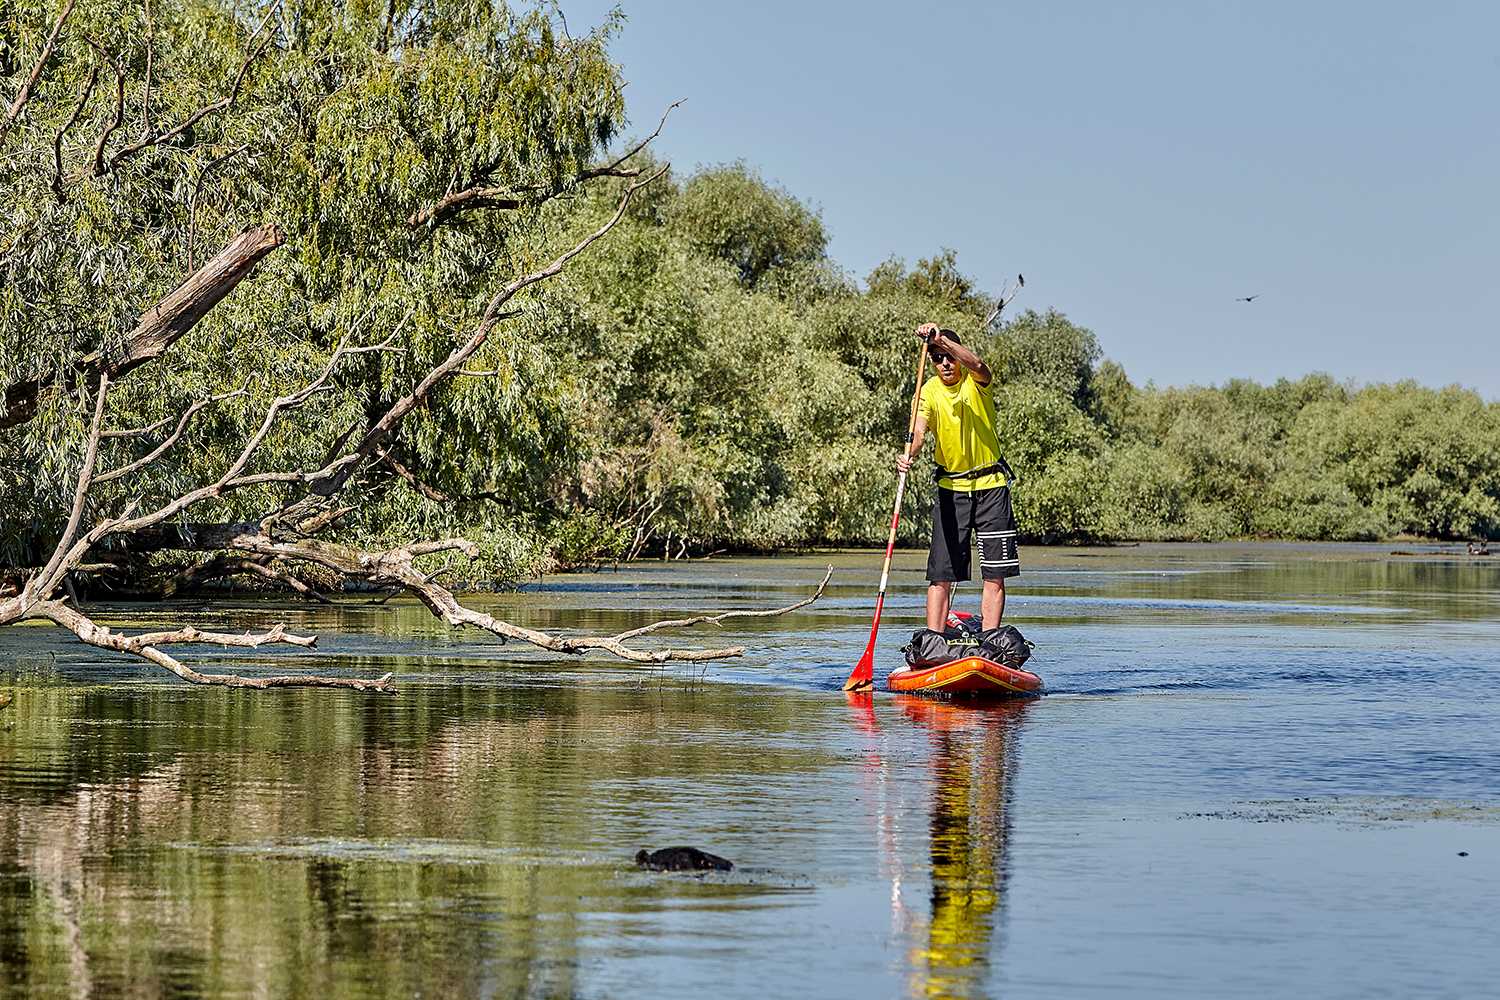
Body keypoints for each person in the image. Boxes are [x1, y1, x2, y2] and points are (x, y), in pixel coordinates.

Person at [896, 323, 1019, 634]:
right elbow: (920, 429)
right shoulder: (929, 391)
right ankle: (934, 642)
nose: (945, 363)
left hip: (991, 488)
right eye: (937, 357)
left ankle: (991, 642)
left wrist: (942, 340)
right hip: (952, 491)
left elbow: (979, 365)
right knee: (941, 575)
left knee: (994, 574)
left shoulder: (975, 381)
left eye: (949, 355)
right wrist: (909, 453)